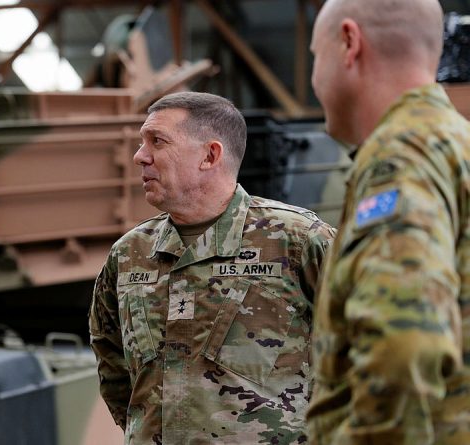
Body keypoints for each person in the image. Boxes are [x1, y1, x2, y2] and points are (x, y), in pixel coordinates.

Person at [89, 91, 336, 444]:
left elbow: (372, 353)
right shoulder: (130, 254)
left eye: (156, 141)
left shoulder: (298, 242)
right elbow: (113, 368)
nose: (139, 156)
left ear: (210, 155)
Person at [307, 0, 470, 443]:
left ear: (348, 43)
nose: (312, 80)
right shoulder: (454, 143)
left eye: (314, 57)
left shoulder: (400, 159)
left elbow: (403, 346)